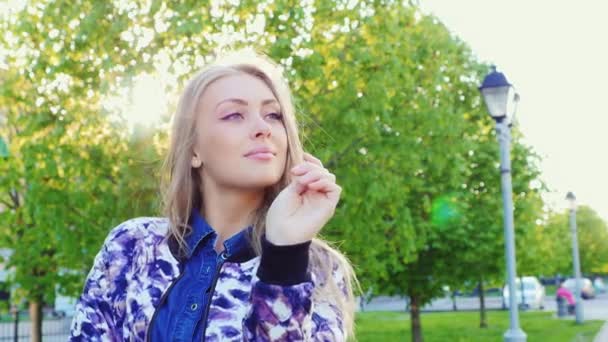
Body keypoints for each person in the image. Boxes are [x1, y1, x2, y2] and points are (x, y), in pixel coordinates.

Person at [69, 50, 358, 341]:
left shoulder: (318, 268)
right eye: (234, 115)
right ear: (193, 149)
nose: (263, 128)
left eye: (273, 115)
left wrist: (284, 255)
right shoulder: (132, 247)